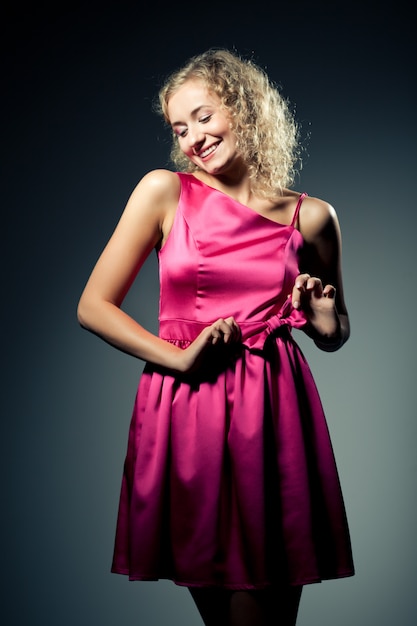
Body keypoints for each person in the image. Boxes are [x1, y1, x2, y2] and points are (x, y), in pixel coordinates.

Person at [77, 48, 354, 626]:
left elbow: (335, 329)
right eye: (179, 128)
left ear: (246, 108)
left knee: (270, 608)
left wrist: (325, 323)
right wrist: (178, 359)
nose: (192, 139)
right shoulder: (164, 191)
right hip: (189, 405)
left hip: (274, 411)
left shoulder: (314, 217)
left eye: (203, 117)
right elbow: (93, 306)